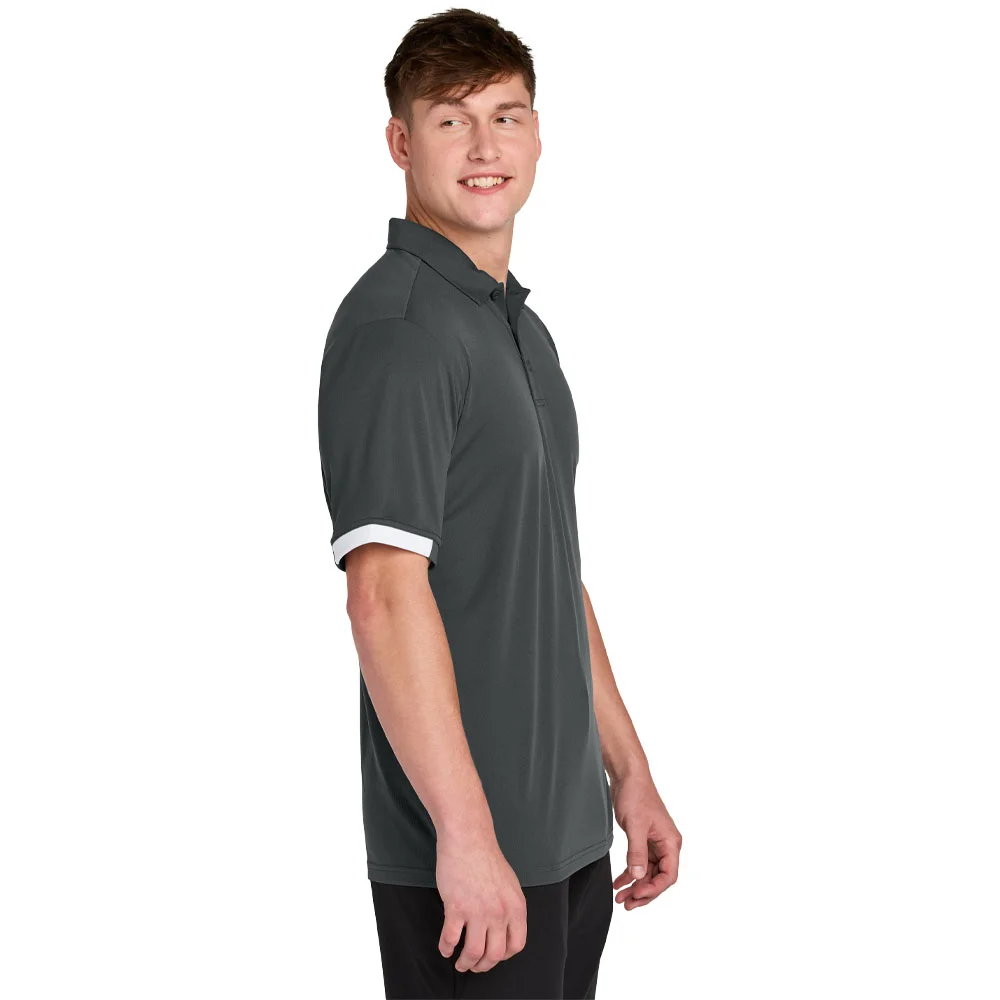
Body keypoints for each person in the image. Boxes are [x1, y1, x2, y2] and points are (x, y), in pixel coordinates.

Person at [317, 9, 682, 998]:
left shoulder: (515, 327)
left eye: (506, 116)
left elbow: (549, 570)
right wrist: (467, 837)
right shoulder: (400, 329)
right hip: (471, 861)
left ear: (537, 134)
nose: (485, 147)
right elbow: (382, 596)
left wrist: (628, 771)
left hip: (564, 838)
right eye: (451, 120)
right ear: (400, 143)